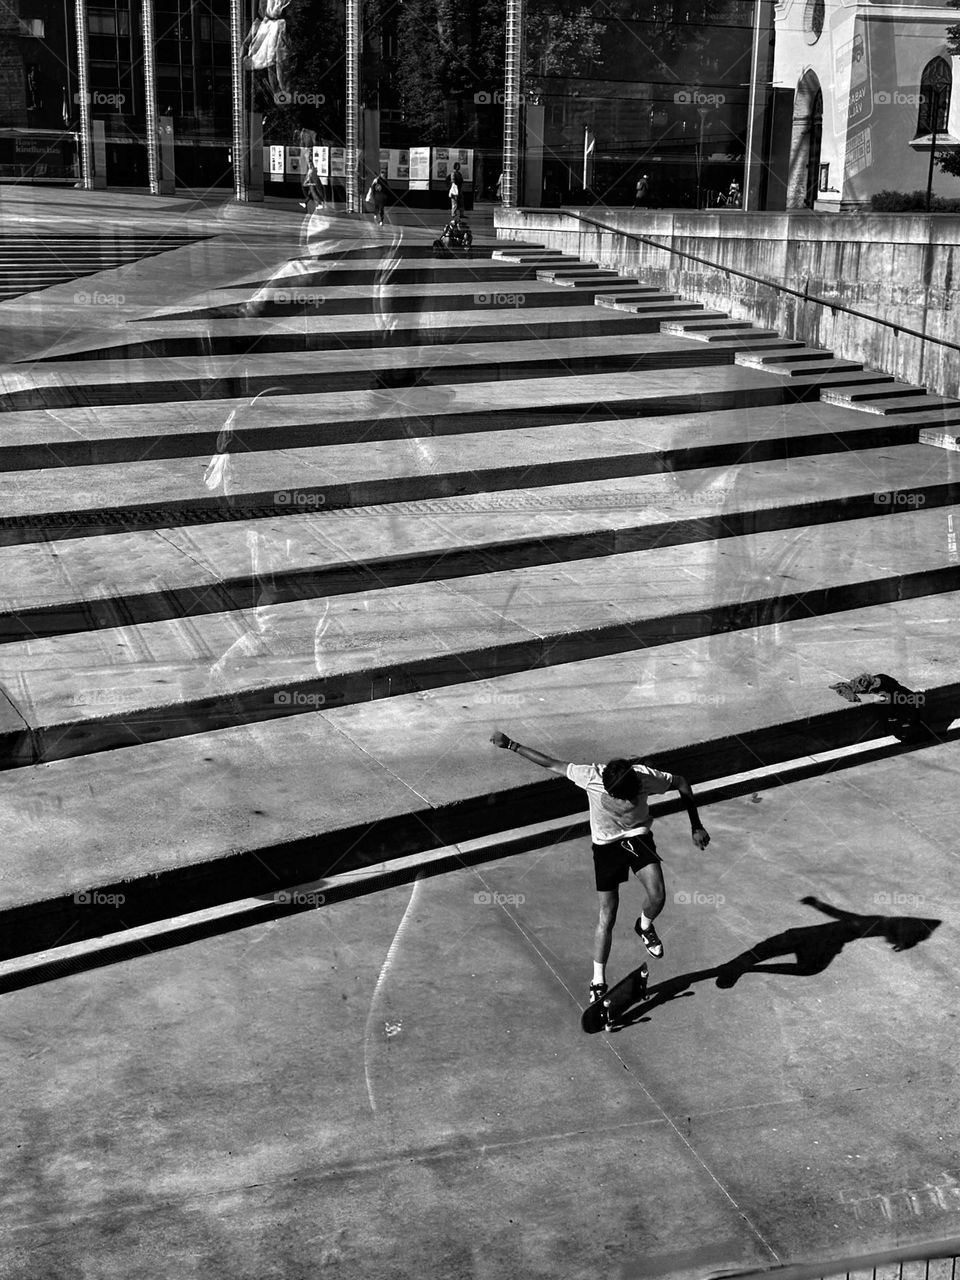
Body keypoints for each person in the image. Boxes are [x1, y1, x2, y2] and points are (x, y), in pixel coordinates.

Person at [490, 731, 710, 1007]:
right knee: (608, 914)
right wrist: (511, 745)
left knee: (658, 895)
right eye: (620, 798)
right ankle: (597, 982)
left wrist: (696, 825)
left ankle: (644, 926)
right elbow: (550, 763)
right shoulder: (590, 776)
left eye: (631, 797)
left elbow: (682, 782)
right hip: (605, 847)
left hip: (637, 836)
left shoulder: (644, 776)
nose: (626, 803)